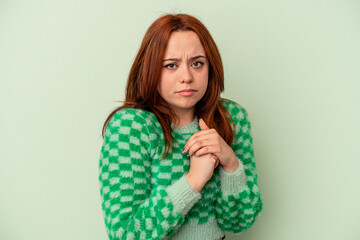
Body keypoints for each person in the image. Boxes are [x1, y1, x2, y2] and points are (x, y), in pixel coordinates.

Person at [98, 13, 263, 240]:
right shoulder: (130, 127)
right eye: (171, 65)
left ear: (210, 66)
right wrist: (193, 180)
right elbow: (125, 234)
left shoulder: (231, 119)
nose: (186, 76)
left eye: (197, 63)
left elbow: (239, 222)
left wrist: (230, 164)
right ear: (150, 69)